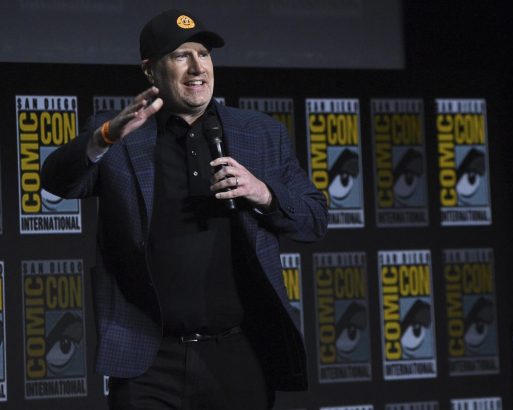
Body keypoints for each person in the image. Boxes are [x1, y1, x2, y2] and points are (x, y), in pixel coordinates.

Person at [41, 9, 327, 410]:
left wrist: (263, 192)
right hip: (149, 360)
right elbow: (57, 180)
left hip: (239, 354)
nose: (197, 67)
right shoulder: (119, 132)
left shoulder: (259, 133)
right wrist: (104, 137)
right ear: (150, 70)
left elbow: (315, 219)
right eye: (181, 55)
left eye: (204, 54)